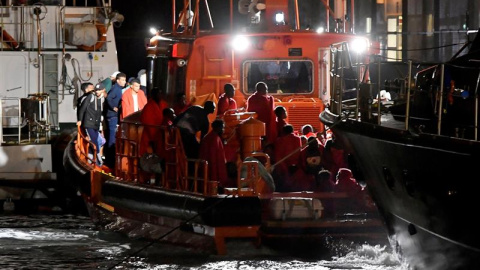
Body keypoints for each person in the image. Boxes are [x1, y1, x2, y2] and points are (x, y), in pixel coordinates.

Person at [77, 83, 106, 166]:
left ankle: (90, 157)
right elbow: (82, 109)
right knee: (95, 142)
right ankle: (98, 160)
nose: (97, 92)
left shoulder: (102, 99)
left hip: (96, 124)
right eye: (96, 90)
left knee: (101, 141)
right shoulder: (91, 97)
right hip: (88, 123)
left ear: (102, 90)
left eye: (99, 90)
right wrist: (80, 120)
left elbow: (100, 111)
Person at [199, 119, 231, 188]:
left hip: (207, 170)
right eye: (222, 127)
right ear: (217, 127)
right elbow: (214, 158)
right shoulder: (214, 138)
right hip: (213, 172)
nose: (223, 130)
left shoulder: (209, 137)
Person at [104, 72, 127, 167]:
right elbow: (108, 98)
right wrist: (113, 107)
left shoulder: (119, 89)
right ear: (118, 80)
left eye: (125, 80)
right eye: (123, 80)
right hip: (112, 115)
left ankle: (110, 158)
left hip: (113, 115)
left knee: (112, 136)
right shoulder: (116, 89)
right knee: (112, 137)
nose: (124, 82)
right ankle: (110, 160)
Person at [139, 87, 169, 156]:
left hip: (162, 133)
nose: (160, 95)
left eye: (160, 93)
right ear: (153, 95)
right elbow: (146, 120)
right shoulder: (148, 106)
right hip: (150, 135)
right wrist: (154, 135)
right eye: (158, 93)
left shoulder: (164, 104)